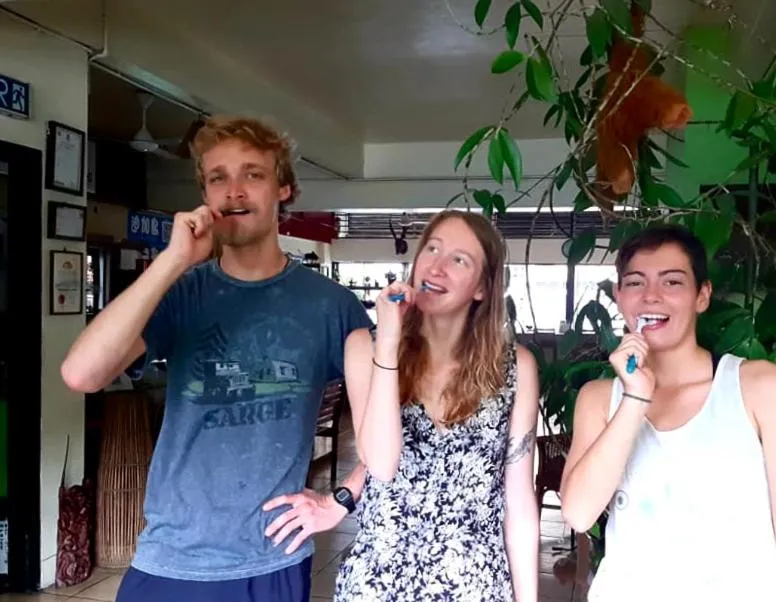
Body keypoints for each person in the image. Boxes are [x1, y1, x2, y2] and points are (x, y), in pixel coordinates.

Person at [60, 115, 372, 602]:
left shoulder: (332, 306)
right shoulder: (181, 292)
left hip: (270, 559)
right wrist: (173, 260)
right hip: (170, 557)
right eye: (218, 178)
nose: (235, 191)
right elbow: (82, 373)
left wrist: (344, 497)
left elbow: (398, 418)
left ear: (283, 189)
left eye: (253, 174)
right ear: (205, 194)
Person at [560, 224, 776, 602]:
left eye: (672, 283)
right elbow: (578, 513)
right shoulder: (600, 398)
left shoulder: (764, 389)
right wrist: (635, 398)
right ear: (619, 296)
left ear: (702, 296)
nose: (651, 296)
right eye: (635, 283)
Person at [332, 210, 541, 601]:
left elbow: (519, 503)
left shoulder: (514, 369)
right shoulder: (366, 346)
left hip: (474, 584)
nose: (437, 267)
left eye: (459, 260)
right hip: (380, 581)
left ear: (482, 288)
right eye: (432, 249)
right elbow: (380, 462)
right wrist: (390, 343)